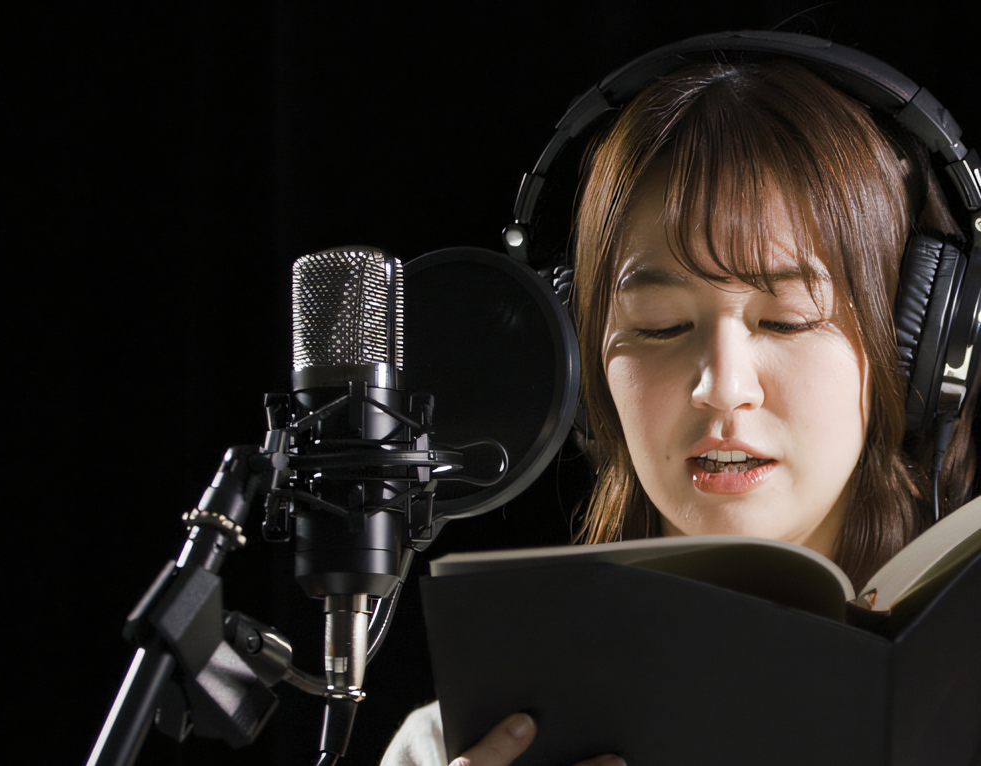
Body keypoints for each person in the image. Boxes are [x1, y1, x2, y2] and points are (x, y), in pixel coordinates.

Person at [381, 51, 979, 766]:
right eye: (660, 325)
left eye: (784, 321)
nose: (722, 389)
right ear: (584, 363)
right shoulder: (452, 747)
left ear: (917, 347)